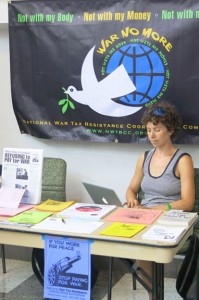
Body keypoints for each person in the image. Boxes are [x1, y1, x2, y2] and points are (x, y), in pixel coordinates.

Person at [125, 100, 195, 300]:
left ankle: (153, 294)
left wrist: (158, 209)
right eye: (148, 130)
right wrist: (131, 200)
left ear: (170, 130)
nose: (151, 136)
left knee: (142, 244)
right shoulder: (144, 157)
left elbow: (188, 202)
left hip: (170, 217)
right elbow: (131, 189)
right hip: (145, 215)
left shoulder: (183, 160)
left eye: (156, 130)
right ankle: (153, 293)